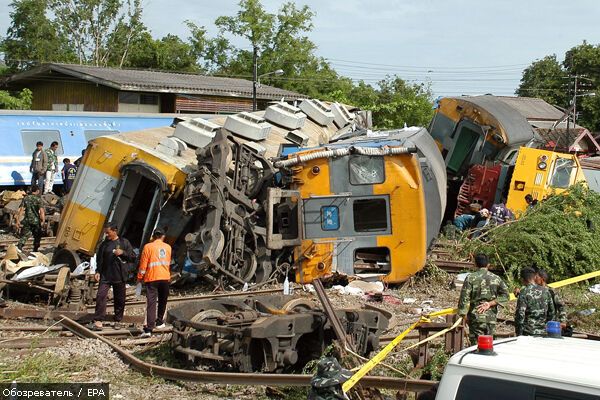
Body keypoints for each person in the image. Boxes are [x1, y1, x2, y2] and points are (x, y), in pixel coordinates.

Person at [457, 253, 509, 345]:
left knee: (477, 347)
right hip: (491, 318)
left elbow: (464, 299)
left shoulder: (470, 278)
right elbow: (506, 296)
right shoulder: (496, 278)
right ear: (488, 264)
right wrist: (490, 303)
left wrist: (464, 316)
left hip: (476, 318)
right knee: (489, 346)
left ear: (475, 264)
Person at [92, 223, 135, 330]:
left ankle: (117, 320)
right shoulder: (104, 244)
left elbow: (133, 257)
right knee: (101, 295)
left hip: (119, 275)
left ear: (115, 231)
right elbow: (100, 259)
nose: (106, 235)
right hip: (106, 275)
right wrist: (97, 271)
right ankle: (98, 320)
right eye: (105, 233)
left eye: (108, 232)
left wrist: (123, 253)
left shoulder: (124, 242)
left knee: (120, 299)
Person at [137, 228, 171, 337]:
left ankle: (149, 329)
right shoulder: (168, 247)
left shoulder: (148, 247)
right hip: (165, 277)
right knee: (163, 300)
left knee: (151, 303)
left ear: (153, 236)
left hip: (152, 278)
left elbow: (143, 265)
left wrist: (140, 277)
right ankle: (160, 322)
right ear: (163, 236)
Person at [515, 266, 555, 336]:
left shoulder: (524, 292)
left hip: (528, 332)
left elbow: (520, 314)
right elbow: (551, 312)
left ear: (522, 279)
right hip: (543, 332)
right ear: (534, 277)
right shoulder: (545, 291)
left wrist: (519, 333)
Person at [16, 185, 45, 252]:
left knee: (25, 235)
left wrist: (18, 220)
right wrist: (43, 220)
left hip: (27, 220)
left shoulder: (26, 198)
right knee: (37, 235)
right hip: (36, 221)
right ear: (37, 191)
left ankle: (20, 245)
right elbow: (41, 211)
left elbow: (21, 210)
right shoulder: (39, 199)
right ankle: (35, 249)